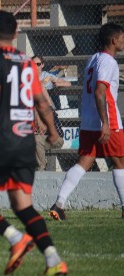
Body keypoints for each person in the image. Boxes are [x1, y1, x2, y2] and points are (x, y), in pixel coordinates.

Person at [0, 11, 67, 276]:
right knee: (22, 205)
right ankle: (54, 260)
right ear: (16, 34)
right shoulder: (29, 64)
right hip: (24, 143)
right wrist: (52, 131)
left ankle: (15, 239)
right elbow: (42, 101)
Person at [49, 23, 124, 221]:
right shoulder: (108, 62)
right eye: (122, 38)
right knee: (119, 161)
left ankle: (59, 203)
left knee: (83, 162)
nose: (123, 41)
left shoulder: (92, 59)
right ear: (114, 40)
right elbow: (100, 92)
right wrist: (106, 123)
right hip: (106, 121)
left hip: (88, 121)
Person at [34, 87, 65, 171]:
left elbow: (42, 129)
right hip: (43, 139)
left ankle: (41, 167)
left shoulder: (46, 110)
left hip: (56, 139)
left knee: (36, 139)